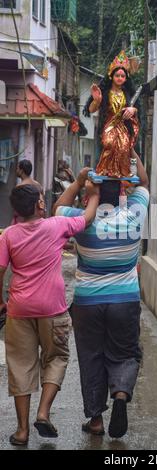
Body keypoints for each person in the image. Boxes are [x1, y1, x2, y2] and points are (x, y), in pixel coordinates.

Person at [53, 156, 149, 439]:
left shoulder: (82, 220)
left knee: (91, 356)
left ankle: (95, 418)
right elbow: (143, 183)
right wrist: (132, 154)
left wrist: (80, 181)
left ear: (92, 194)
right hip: (125, 300)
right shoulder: (134, 214)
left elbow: (57, 208)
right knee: (125, 352)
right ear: (121, 191)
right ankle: (120, 393)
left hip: (87, 302)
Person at [0, 179, 99, 446]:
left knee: (21, 365)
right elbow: (88, 218)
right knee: (55, 357)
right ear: (40, 204)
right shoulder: (57, 225)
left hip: (19, 309)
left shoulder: (8, 235)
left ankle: (22, 431)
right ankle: (43, 412)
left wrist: (1, 299)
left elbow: (0, 270)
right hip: (52, 308)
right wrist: (92, 192)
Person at [84, 50, 139, 178]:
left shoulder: (128, 94)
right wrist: (97, 100)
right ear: (111, 76)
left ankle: (121, 171)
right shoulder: (105, 92)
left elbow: (137, 109)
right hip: (108, 124)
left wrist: (133, 110)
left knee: (124, 147)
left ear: (126, 78)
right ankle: (105, 169)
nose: (120, 78)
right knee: (109, 143)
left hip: (123, 127)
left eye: (122, 76)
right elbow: (91, 110)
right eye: (117, 75)